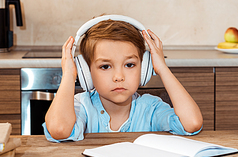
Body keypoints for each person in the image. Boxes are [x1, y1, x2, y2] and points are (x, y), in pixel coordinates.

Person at [44, 16, 203, 142]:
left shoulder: (150, 108)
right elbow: (59, 129)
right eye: (105, 66)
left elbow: (192, 123)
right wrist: (69, 75)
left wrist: (162, 68)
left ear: (144, 68)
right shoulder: (82, 107)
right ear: (86, 71)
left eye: (129, 65)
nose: (119, 77)